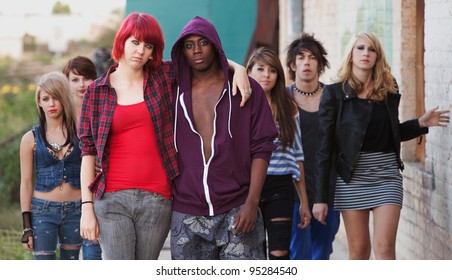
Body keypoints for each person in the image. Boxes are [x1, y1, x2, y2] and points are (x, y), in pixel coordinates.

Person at [78, 13, 252, 260]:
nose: (140, 51)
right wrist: (86, 208)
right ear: (122, 42)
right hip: (112, 199)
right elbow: (88, 152)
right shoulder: (96, 92)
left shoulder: (162, 76)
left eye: (148, 46)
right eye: (135, 42)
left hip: (157, 198)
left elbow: (202, 63)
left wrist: (238, 68)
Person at [312, 31, 450, 259]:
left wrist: (420, 124)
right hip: (351, 178)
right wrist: (320, 198)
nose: (366, 53)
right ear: (351, 55)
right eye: (360, 48)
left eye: (372, 49)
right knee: (359, 251)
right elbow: (323, 149)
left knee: (385, 249)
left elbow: (390, 134)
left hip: (386, 176)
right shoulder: (334, 93)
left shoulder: (388, 88)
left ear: (377, 56)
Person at [170, 16, 278, 260]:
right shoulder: (172, 88)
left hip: (238, 206)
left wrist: (252, 203)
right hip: (187, 211)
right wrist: (236, 65)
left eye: (203, 43)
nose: (197, 50)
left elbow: (262, 147)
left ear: (215, 45)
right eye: (189, 45)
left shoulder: (246, 89)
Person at [246, 47, 310, 260]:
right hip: (247, 187)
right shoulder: (241, 105)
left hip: (280, 187)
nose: (266, 75)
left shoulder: (288, 107)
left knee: (280, 253)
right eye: (260, 69)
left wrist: (304, 202)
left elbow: (297, 154)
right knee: (252, 254)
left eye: (272, 70)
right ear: (249, 72)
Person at [286, 33, 340, 260]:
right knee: (298, 252)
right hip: (293, 188)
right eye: (301, 57)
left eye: (312, 57)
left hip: (328, 187)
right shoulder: (283, 98)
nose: (306, 62)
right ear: (292, 64)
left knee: (322, 251)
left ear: (320, 63)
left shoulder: (334, 97)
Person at [19, 71, 82, 260]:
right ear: (39, 102)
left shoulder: (80, 133)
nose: (51, 104)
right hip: (43, 211)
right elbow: (26, 183)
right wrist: (27, 226)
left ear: (64, 98)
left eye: (56, 98)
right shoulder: (30, 138)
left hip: (76, 210)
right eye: (45, 99)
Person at [62, 56, 102, 260]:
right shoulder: (60, 114)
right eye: (75, 79)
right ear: (66, 82)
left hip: (95, 190)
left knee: (93, 250)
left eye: (87, 78)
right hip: (67, 193)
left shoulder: (102, 108)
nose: (82, 84)